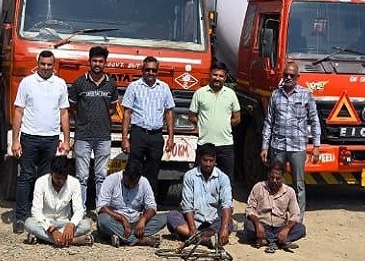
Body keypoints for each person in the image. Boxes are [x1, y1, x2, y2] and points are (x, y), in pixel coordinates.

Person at [10, 50, 71, 234]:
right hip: (29, 137)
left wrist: (66, 140)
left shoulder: (60, 84)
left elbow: (64, 113)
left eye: (49, 65)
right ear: (37, 64)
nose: (45, 68)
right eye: (42, 64)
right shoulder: (27, 83)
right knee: (25, 177)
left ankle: (42, 218)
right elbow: (19, 111)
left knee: (45, 180)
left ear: (54, 65)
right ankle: (20, 218)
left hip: (51, 139)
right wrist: (15, 140)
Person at [260, 61, 321, 220]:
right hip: (278, 146)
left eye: (291, 75)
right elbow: (269, 121)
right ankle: (275, 217)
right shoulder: (275, 94)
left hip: (297, 147)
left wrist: (316, 145)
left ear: (297, 77)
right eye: (285, 74)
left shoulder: (306, 94)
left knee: (299, 185)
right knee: (275, 182)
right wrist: (264, 146)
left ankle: (297, 220)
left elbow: (314, 120)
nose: (288, 77)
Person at [69, 45, 119, 208]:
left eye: (101, 61)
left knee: (101, 175)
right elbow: (73, 108)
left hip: (103, 137)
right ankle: (80, 209)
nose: (97, 64)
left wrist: (100, 118)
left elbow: (112, 109)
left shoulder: (111, 84)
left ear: (105, 63)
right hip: (83, 136)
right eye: (94, 61)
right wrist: (83, 120)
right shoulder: (79, 83)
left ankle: (101, 209)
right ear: (89, 62)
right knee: (81, 176)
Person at [120, 55, 175, 197]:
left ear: (158, 71)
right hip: (138, 134)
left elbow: (169, 113)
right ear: (142, 70)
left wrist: (171, 138)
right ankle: (130, 199)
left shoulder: (164, 88)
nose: (150, 73)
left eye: (154, 70)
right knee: (133, 170)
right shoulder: (133, 87)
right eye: (147, 70)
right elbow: (127, 113)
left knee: (153, 171)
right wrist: (125, 138)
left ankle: (149, 204)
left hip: (156, 136)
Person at [166, 144, 233, 248]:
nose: (208, 164)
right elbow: (187, 205)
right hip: (193, 221)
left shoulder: (223, 178)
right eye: (205, 160)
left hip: (213, 221)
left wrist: (224, 229)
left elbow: (227, 205)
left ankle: (192, 238)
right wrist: (193, 229)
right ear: (199, 159)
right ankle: (205, 240)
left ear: (215, 160)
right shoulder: (189, 176)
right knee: (172, 216)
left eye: (211, 161)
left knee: (228, 222)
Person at [188, 61, 241, 182]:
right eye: (215, 75)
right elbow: (191, 116)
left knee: (226, 180)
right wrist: (204, 125)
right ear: (210, 75)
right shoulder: (199, 93)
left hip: (225, 144)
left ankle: (225, 201)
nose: (217, 78)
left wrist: (225, 126)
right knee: (200, 179)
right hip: (205, 143)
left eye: (221, 76)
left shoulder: (231, 94)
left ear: (225, 78)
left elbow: (237, 118)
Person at [24, 156, 93, 246]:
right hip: (46, 222)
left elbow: (79, 209)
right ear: (51, 173)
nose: (61, 181)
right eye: (57, 178)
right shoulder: (41, 182)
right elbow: (36, 211)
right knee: (29, 223)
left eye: (63, 178)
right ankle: (72, 241)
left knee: (86, 225)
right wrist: (52, 230)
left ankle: (44, 238)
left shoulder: (74, 183)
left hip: (64, 222)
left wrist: (71, 225)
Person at [96, 160, 165, 247]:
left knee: (163, 218)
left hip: (136, 223)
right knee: (103, 219)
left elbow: (152, 207)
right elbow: (101, 207)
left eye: (134, 183)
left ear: (139, 178)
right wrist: (122, 218)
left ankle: (121, 237)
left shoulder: (144, 182)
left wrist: (143, 220)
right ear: (124, 174)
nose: (131, 186)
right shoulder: (112, 180)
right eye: (128, 183)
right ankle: (139, 240)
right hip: (116, 222)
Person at [242, 163, 306, 253]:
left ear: (283, 177)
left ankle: (267, 241)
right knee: (248, 226)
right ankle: (279, 242)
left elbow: (295, 214)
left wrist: (286, 229)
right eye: (272, 177)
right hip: (262, 225)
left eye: (278, 178)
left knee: (301, 229)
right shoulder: (258, 187)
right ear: (268, 175)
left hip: (280, 227)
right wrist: (257, 224)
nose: (274, 181)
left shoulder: (289, 192)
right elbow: (250, 209)